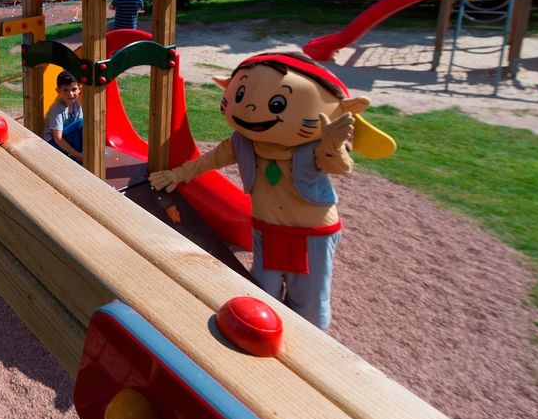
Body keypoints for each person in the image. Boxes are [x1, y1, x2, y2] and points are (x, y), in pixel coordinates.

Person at [149, 53, 392, 330]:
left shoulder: (313, 147)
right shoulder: (243, 143)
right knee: (264, 290)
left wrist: (333, 146)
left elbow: (340, 166)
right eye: (240, 93)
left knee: (309, 299)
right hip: (267, 229)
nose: (250, 107)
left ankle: (311, 346)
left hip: (310, 234)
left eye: (277, 104)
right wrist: (176, 175)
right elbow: (208, 161)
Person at [44, 70, 83, 160]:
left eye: (74, 89)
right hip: (52, 144)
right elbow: (58, 138)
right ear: (58, 91)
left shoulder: (76, 105)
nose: (70, 94)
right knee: (80, 124)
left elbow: (80, 130)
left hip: (66, 139)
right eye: (65, 90)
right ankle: (76, 155)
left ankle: (80, 152)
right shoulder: (57, 109)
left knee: (82, 126)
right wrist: (78, 156)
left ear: (79, 89)